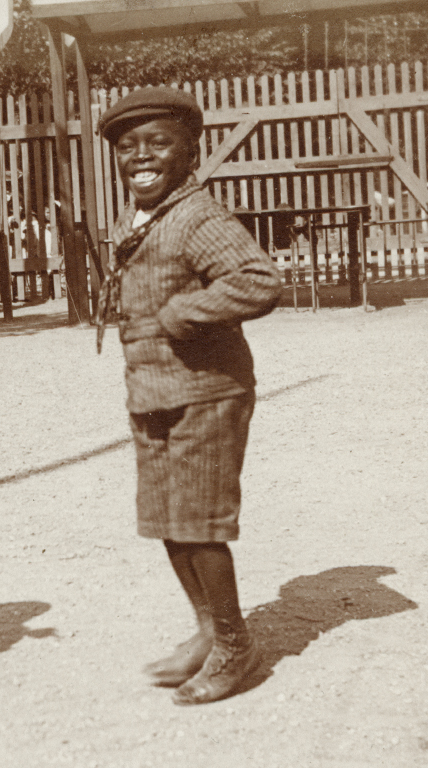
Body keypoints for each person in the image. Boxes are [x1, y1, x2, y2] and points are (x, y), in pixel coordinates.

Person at [94, 87, 282, 705]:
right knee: (169, 523)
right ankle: (207, 631)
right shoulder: (139, 219)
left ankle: (235, 646)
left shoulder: (197, 216)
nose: (141, 156)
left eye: (158, 143)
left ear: (190, 150)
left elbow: (259, 280)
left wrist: (183, 314)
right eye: (127, 147)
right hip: (154, 393)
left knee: (199, 525)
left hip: (206, 394)